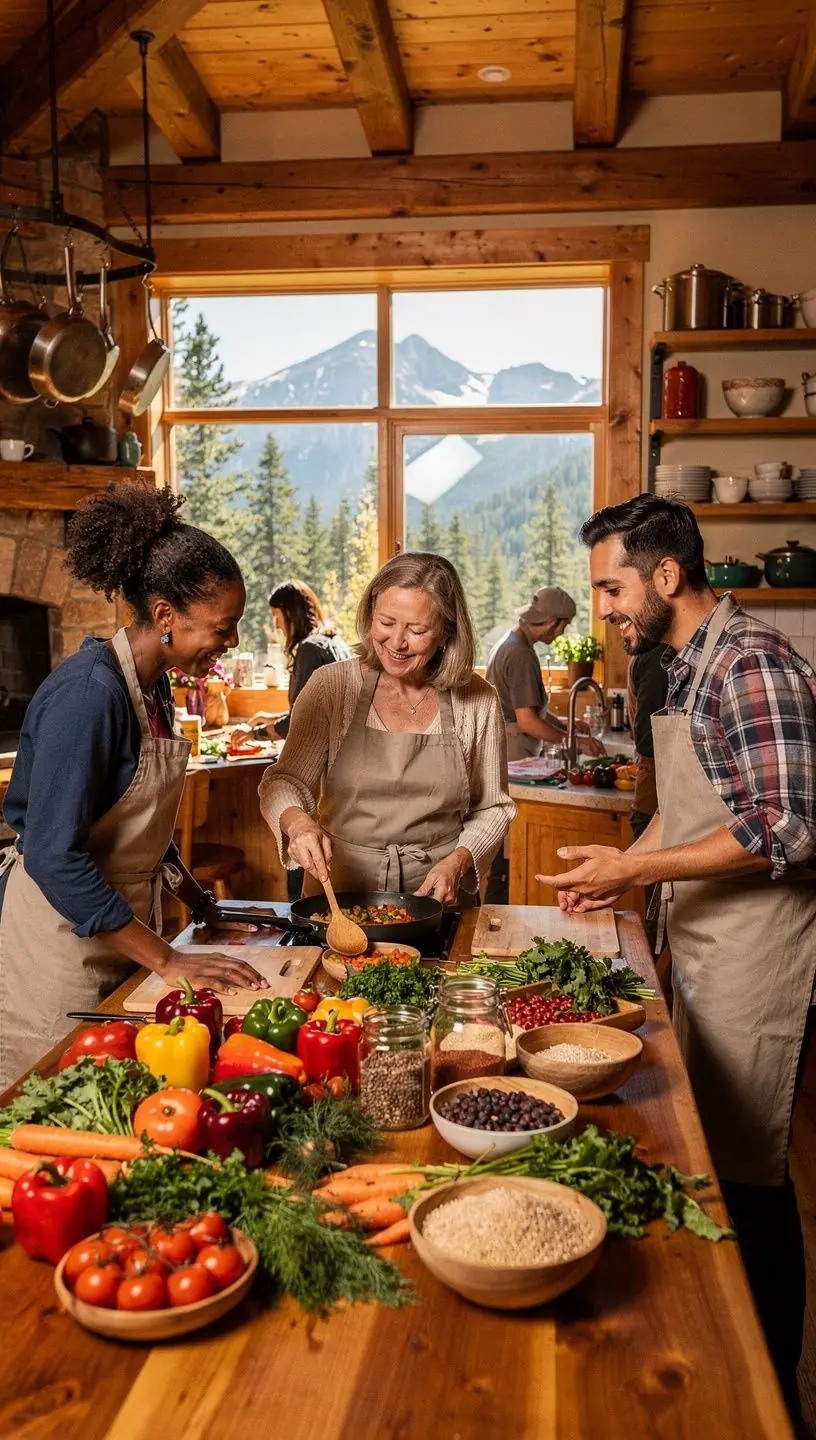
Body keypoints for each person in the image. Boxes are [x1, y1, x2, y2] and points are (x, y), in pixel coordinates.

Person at [537, 494, 816, 1417]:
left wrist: (641, 865)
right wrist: (630, 877)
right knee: (703, 1152)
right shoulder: (686, 666)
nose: (607, 609)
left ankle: (773, 1388)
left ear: (666, 576)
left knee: (750, 1169)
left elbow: (789, 826)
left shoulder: (752, 665)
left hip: (756, 956)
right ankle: (724, 1353)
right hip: (697, 939)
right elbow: (695, 813)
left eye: (614, 588)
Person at [0, 484, 266, 1088]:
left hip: (125, 935)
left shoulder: (154, 688)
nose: (230, 645)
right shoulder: (89, 696)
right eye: (222, 629)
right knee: (53, 1096)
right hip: (60, 942)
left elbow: (137, 825)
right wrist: (169, 958)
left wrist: (200, 904)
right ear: (165, 613)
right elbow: (51, 854)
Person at [259, 552, 515, 904]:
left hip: (439, 899)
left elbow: (493, 807)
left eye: (417, 630)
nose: (397, 642)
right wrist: (299, 824)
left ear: (445, 634)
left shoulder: (477, 699)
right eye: (387, 622)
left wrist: (458, 862)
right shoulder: (331, 687)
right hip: (338, 897)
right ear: (369, 617)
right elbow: (282, 782)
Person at [486, 585, 604, 761]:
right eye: (565, 625)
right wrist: (575, 741)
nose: (562, 633)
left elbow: (524, 707)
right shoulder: (521, 654)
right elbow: (527, 722)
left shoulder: (510, 640)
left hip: (501, 746)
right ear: (551, 622)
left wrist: (562, 723)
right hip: (512, 751)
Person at [235, 579, 351, 745]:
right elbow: (315, 712)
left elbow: (302, 722)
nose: (276, 624)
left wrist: (253, 734)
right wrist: (273, 718)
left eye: (277, 616)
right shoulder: (333, 641)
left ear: (291, 614)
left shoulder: (310, 650)